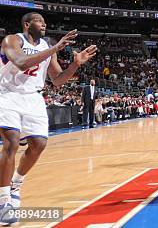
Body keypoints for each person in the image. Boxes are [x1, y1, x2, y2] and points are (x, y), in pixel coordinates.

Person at [0, 13, 97, 222]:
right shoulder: (12, 40)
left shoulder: (47, 45)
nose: (43, 23)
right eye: (38, 20)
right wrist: (54, 49)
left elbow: (58, 80)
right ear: (27, 24)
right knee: (11, 142)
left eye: (44, 21)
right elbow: (21, 63)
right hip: (7, 94)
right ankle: (3, 201)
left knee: (39, 144)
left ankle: (17, 183)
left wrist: (75, 64)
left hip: (33, 98)